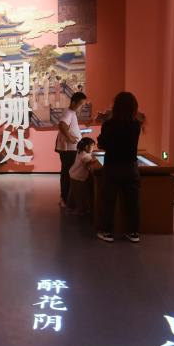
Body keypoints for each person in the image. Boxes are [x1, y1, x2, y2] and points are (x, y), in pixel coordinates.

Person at [97, 91, 142, 243]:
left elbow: (102, 143)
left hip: (112, 165)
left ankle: (107, 232)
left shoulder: (109, 124)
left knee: (108, 200)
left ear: (116, 106)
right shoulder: (136, 125)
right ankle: (133, 232)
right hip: (131, 166)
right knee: (132, 201)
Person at [55, 91, 87, 208]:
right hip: (68, 150)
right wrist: (70, 138)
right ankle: (64, 199)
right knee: (67, 174)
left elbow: (67, 127)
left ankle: (66, 198)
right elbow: (62, 125)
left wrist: (76, 135)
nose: (82, 107)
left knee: (68, 173)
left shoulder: (71, 113)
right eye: (81, 104)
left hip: (70, 149)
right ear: (73, 103)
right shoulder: (68, 112)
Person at [67, 137, 101, 215]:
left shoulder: (80, 151)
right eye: (92, 146)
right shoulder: (84, 155)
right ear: (86, 147)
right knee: (79, 195)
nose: (93, 148)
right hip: (78, 177)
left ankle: (70, 207)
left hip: (74, 175)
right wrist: (96, 159)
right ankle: (80, 210)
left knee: (73, 193)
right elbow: (89, 161)